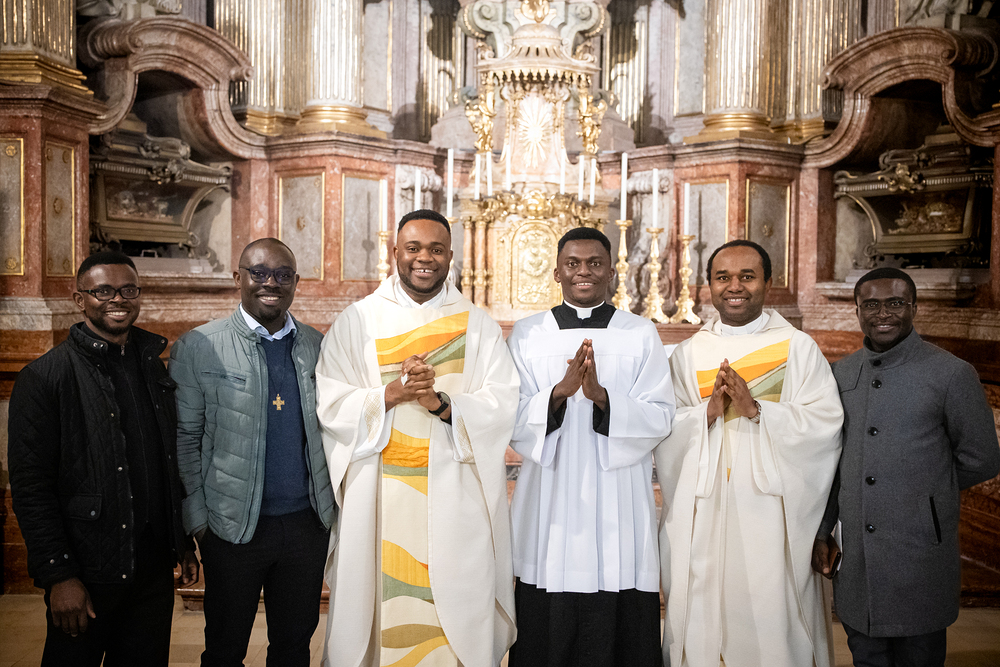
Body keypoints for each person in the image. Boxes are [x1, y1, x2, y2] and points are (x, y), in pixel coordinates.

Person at [316, 209, 519, 667]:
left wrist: (439, 403)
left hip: (456, 494)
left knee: (456, 608)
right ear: (395, 252)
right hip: (379, 494)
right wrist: (391, 394)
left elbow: (502, 403)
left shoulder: (477, 324)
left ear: (450, 256)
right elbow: (330, 401)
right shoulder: (358, 321)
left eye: (436, 249)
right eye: (414, 248)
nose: (424, 258)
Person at [655, 240, 844, 667]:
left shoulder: (797, 348)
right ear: (708, 286)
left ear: (768, 283)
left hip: (771, 512)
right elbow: (663, 428)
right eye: (723, 277)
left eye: (747, 276)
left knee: (770, 613)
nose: (734, 286)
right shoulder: (688, 354)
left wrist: (757, 411)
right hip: (703, 509)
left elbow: (824, 425)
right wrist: (706, 414)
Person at [8, 251, 198, 666]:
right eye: (104, 291)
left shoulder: (152, 367)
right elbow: (31, 489)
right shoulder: (44, 377)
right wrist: (59, 576)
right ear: (80, 299)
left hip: (150, 566)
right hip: (87, 569)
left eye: (128, 290)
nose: (118, 300)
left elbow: (166, 462)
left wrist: (181, 542)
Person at [811, 267, 1000, 667]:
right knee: (866, 655)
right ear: (857, 311)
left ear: (914, 307)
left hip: (919, 554)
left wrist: (923, 494)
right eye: (871, 305)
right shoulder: (840, 373)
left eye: (895, 303)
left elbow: (982, 458)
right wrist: (822, 530)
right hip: (858, 557)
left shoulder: (951, 373)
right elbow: (831, 463)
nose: (883, 313)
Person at [505, 227, 675, 667]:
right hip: (550, 496)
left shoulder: (640, 333)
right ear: (557, 272)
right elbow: (507, 416)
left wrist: (603, 399)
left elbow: (660, 415)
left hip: (618, 498)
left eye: (595, 263)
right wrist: (558, 394)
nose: (584, 271)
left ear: (612, 272)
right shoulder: (527, 334)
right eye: (573, 264)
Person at [170, 238, 336, 667]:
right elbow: (186, 439)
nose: (270, 283)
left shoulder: (317, 346)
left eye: (282, 275)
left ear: (296, 282)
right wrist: (199, 523)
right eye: (259, 273)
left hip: (305, 526)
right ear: (237, 278)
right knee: (225, 650)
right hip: (231, 528)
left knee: (293, 649)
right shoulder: (199, 346)